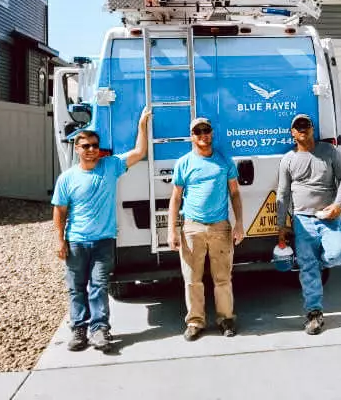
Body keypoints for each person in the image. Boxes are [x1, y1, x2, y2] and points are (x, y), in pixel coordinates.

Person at [52, 109, 150, 352]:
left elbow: (139, 153)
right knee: (76, 288)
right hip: (76, 242)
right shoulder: (67, 178)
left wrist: (142, 125)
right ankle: (78, 330)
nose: (92, 150)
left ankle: (100, 330)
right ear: (77, 149)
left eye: (95, 145)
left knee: (98, 287)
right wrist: (60, 241)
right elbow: (59, 212)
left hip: (104, 241)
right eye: (86, 146)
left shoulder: (111, 166)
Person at [168, 117, 245, 341]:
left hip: (220, 227)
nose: (203, 134)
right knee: (192, 279)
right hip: (192, 227)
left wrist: (239, 223)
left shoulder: (224, 161)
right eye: (197, 131)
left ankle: (226, 319)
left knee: (223, 277)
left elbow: (235, 194)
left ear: (212, 133)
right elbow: (175, 197)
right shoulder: (184, 163)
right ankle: (195, 322)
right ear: (191, 136)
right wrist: (172, 230)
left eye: (206, 130)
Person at [276, 113, 341, 335]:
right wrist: (282, 227)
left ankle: (317, 265)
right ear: (292, 133)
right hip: (302, 221)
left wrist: (338, 206)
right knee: (307, 268)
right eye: (298, 127)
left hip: (329, 217)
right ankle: (314, 314)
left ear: (312, 129)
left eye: (306, 125)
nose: (302, 130)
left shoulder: (329, 152)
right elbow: (282, 193)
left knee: (338, 254)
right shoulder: (288, 159)